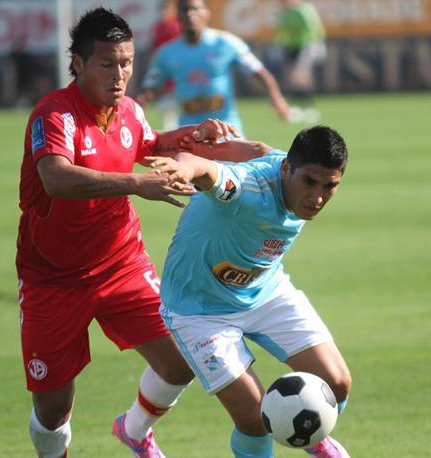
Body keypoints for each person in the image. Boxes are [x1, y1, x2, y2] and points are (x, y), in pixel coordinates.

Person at [16, 7, 256, 458]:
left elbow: (148, 144)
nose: (120, 73)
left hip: (120, 265)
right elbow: (56, 178)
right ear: (79, 64)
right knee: (52, 411)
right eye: (107, 63)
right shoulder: (54, 114)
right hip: (52, 279)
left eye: (126, 62)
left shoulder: (128, 110)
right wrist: (135, 184)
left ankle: (135, 429)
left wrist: (192, 134)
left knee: (181, 361)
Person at [147, 125, 352, 457]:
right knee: (255, 418)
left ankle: (310, 429)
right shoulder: (246, 188)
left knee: (338, 382)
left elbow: (257, 148)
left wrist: (219, 146)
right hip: (199, 310)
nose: (317, 198)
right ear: (287, 168)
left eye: (330, 186)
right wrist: (186, 165)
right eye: (309, 182)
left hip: (264, 290)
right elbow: (210, 173)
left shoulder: (281, 162)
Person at [140, 0, 291, 136]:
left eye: (196, 9)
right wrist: (140, 108)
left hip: (228, 133)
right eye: (185, 9)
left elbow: (258, 71)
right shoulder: (166, 53)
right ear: (178, 15)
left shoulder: (226, 43)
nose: (191, 14)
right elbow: (150, 86)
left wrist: (276, 97)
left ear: (207, 13)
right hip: (190, 137)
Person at [270, 0, 326, 122]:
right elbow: (281, 31)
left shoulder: (303, 10)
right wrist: (279, 43)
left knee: (300, 75)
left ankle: (309, 106)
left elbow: (314, 28)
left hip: (305, 45)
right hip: (290, 47)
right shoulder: (284, 13)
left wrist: (318, 44)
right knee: (292, 77)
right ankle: (298, 106)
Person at [148, 0, 183, 130]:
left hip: (176, 71)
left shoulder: (177, 26)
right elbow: (154, 48)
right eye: (161, 9)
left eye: (166, 9)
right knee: (165, 106)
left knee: (177, 104)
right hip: (163, 71)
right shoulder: (158, 27)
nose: (163, 12)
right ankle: (170, 131)